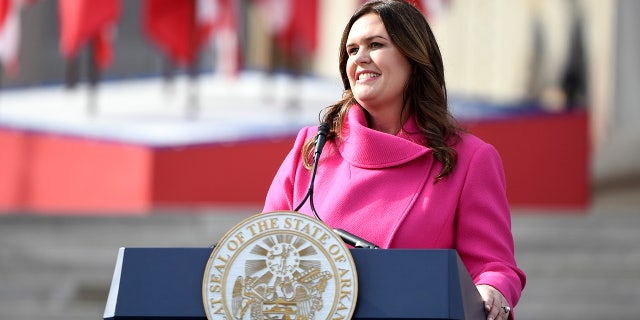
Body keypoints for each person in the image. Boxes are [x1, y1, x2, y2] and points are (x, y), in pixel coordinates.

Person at [262, 1, 526, 319]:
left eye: (375, 45)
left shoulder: (469, 158)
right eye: (351, 49)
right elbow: (264, 249)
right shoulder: (313, 148)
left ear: (414, 57)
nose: (359, 58)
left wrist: (491, 292)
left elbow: (492, 266)